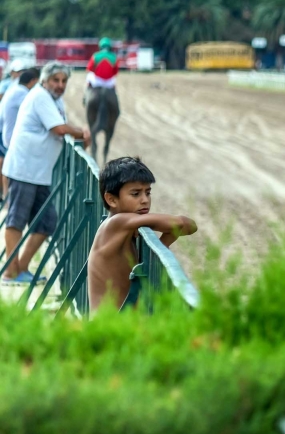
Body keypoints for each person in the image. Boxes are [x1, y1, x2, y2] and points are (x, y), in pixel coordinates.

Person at [2, 62, 92, 285]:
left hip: (39, 172)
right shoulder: (40, 96)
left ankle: (20, 268)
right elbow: (59, 128)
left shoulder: (53, 99)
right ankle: (10, 273)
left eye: (64, 81)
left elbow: (60, 125)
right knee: (16, 220)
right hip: (25, 169)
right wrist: (83, 132)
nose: (60, 85)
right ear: (44, 80)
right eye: (56, 80)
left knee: (47, 222)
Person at [88, 157, 198, 312]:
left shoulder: (125, 227)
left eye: (148, 192)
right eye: (135, 194)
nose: (145, 200)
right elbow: (184, 224)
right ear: (111, 199)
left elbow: (188, 226)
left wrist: (159, 248)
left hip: (118, 325)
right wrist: (162, 244)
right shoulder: (117, 223)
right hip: (110, 330)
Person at [0, 68, 40, 197]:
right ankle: (8, 198)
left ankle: (7, 197)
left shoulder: (14, 90)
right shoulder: (22, 94)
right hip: (10, 137)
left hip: (7, 133)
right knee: (10, 168)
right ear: (33, 81)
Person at [85, 37, 120, 108]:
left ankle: (85, 96)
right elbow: (115, 72)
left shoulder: (95, 56)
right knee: (114, 86)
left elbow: (88, 69)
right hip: (109, 83)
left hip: (97, 81)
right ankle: (115, 98)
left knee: (89, 76)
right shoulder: (114, 57)